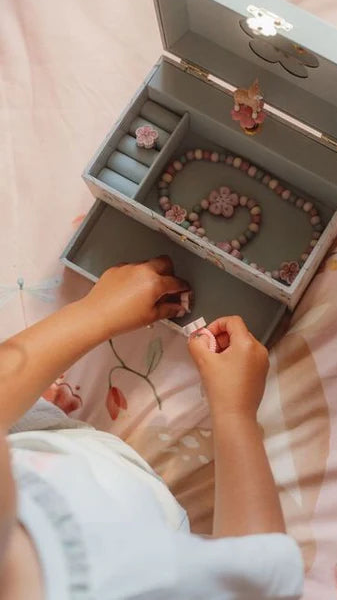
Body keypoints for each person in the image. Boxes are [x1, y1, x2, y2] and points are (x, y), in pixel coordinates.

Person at [0, 256, 304, 600]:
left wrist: (95, 313)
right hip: (145, 508)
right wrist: (236, 414)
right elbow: (259, 577)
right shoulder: (144, 580)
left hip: (47, 437)